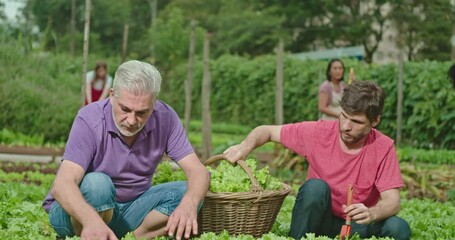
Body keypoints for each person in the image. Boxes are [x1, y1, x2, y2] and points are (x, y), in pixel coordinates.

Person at [42, 60, 210, 240]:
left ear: (154, 103)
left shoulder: (166, 117)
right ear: (112, 95)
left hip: (131, 209)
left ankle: (130, 237)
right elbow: (62, 185)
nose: (131, 120)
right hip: (78, 211)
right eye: (125, 109)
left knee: (190, 191)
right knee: (97, 184)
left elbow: (198, 171)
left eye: (141, 113)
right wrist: (92, 221)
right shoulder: (89, 119)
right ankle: (91, 233)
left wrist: (190, 203)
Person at [223, 81, 411, 240]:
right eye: (343, 116)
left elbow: (392, 201)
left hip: (357, 226)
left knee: (398, 228)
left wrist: (372, 213)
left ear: (375, 121)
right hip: (320, 222)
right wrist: (244, 147)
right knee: (315, 188)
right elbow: (267, 131)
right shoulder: (318, 132)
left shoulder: (383, 146)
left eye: (356, 122)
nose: (345, 126)